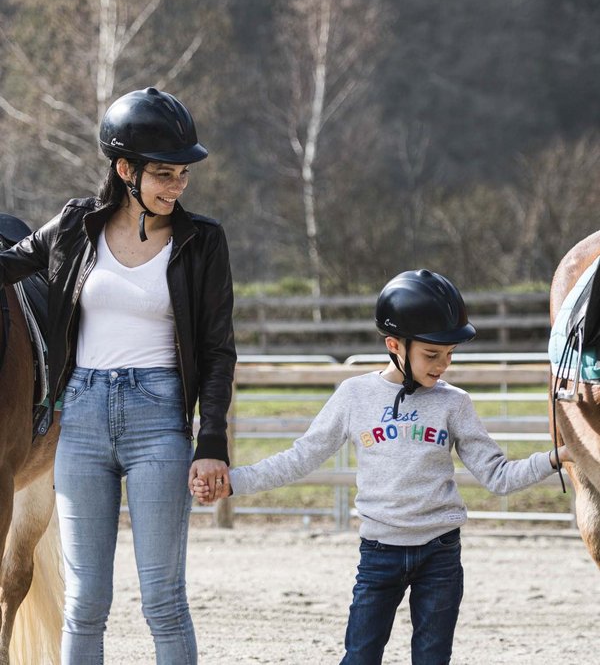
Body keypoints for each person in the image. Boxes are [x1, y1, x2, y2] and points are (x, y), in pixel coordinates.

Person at [193, 269, 572, 665]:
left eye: (449, 355)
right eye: (431, 354)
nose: (443, 365)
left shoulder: (454, 403)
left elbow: (498, 477)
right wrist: (232, 483)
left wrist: (555, 458)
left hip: (440, 555)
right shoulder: (355, 396)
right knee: (359, 657)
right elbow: (299, 458)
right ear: (394, 344)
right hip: (379, 555)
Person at [0, 87, 236, 664]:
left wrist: (211, 443)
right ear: (124, 168)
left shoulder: (202, 242)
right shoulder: (76, 226)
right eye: (163, 173)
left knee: (163, 599)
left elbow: (216, 350)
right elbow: (9, 263)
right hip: (79, 419)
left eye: (182, 174)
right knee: (85, 601)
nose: (176, 185)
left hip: (158, 420)